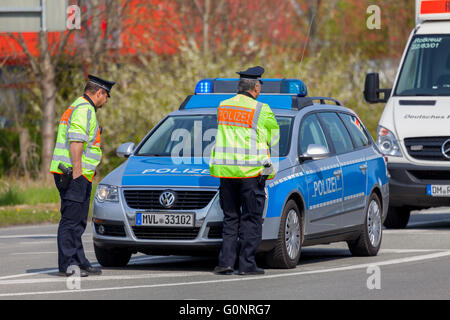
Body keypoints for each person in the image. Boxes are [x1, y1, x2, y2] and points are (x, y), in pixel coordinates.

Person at [209, 66, 280, 275]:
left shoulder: (223, 106)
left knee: (231, 218)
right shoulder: (262, 109)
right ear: (256, 87)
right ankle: (247, 264)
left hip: (226, 172)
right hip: (251, 173)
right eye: (260, 87)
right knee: (251, 218)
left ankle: (226, 263)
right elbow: (274, 138)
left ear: (240, 86)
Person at [50, 75, 115, 277]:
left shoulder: (81, 107)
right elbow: (76, 142)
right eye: (107, 96)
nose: (106, 101)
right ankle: (68, 264)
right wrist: (78, 172)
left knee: (78, 221)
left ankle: (79, 260)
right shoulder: (84, 109)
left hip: (79, 174)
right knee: (71, 221)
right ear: (99, 93)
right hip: (73, 174)